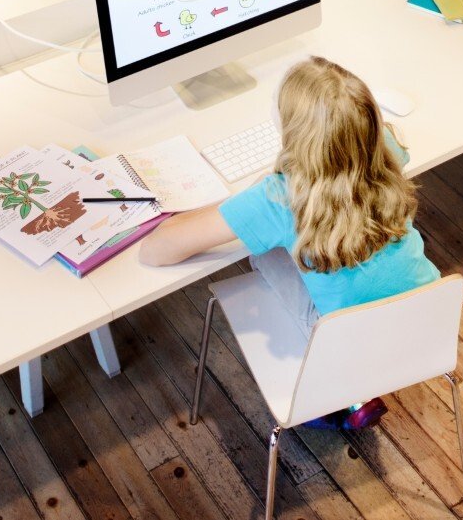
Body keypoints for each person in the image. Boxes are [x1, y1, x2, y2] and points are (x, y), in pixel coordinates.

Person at [140, 56, 439, 430]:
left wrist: (241, 204)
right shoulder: (385, 149)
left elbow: (156, 251)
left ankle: (337, 401)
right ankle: (354, 391)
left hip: (346, 345)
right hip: (428, 321)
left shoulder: (278, 197)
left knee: (265, 254)